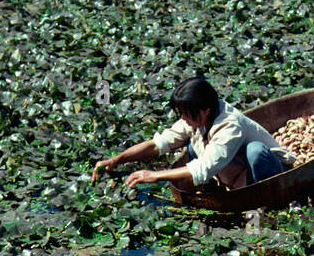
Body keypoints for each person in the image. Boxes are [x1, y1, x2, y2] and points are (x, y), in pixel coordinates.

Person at [91, 73, 295, 195]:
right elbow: (157, 144)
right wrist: (117, 160)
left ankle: (266, 199)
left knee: (255, 151)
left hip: (268, 170)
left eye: (186, 114)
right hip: (234, 173)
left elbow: (202, 168)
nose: (183, 119)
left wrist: (154, 176)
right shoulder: (196, 119)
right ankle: (216, 190)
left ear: (205, 110)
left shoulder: (229, 125)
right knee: (191, 145)